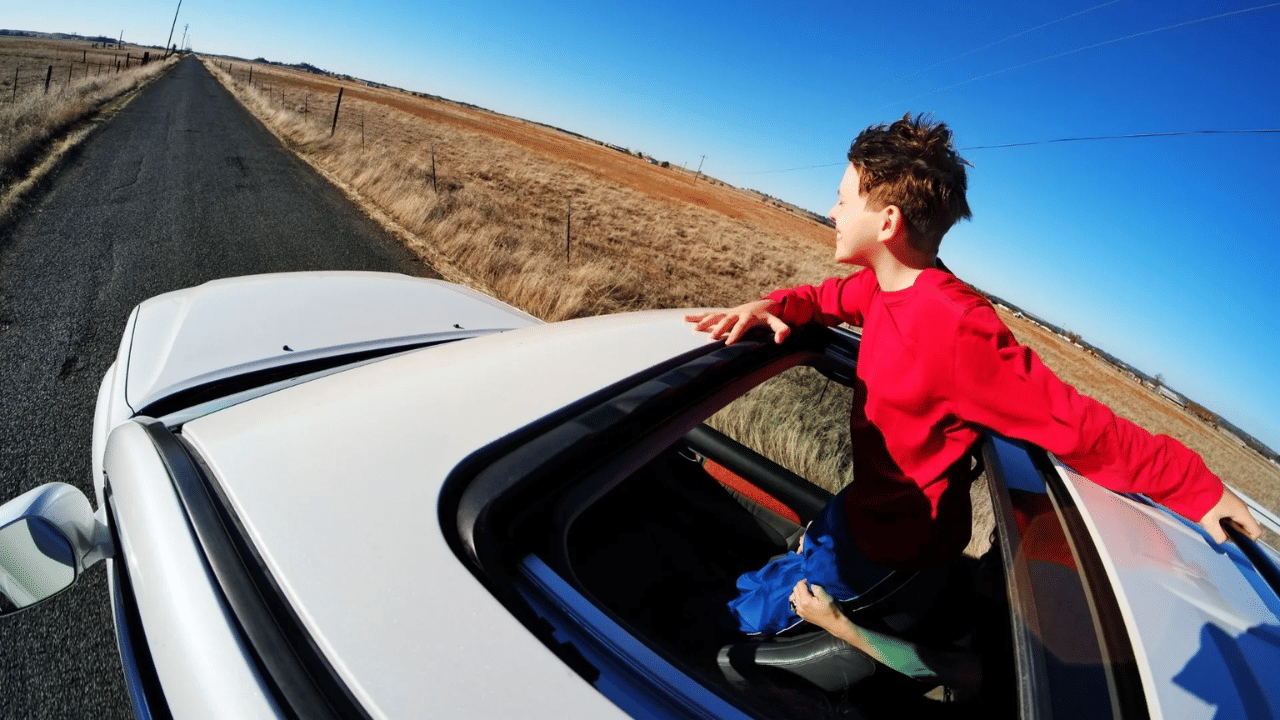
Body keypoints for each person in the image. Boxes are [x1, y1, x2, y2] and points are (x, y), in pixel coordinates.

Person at [686, 113, 1263, 648]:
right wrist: (772, 305)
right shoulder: (885, 285)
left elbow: (1076, 424)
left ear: (887, 222)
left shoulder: (956, 326)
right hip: (862, 509)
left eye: (842, 199)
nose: (832, 212)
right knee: (777, 570)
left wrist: (1195, 488)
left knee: (738, 624)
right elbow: (827, 298)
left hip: (892, 550)